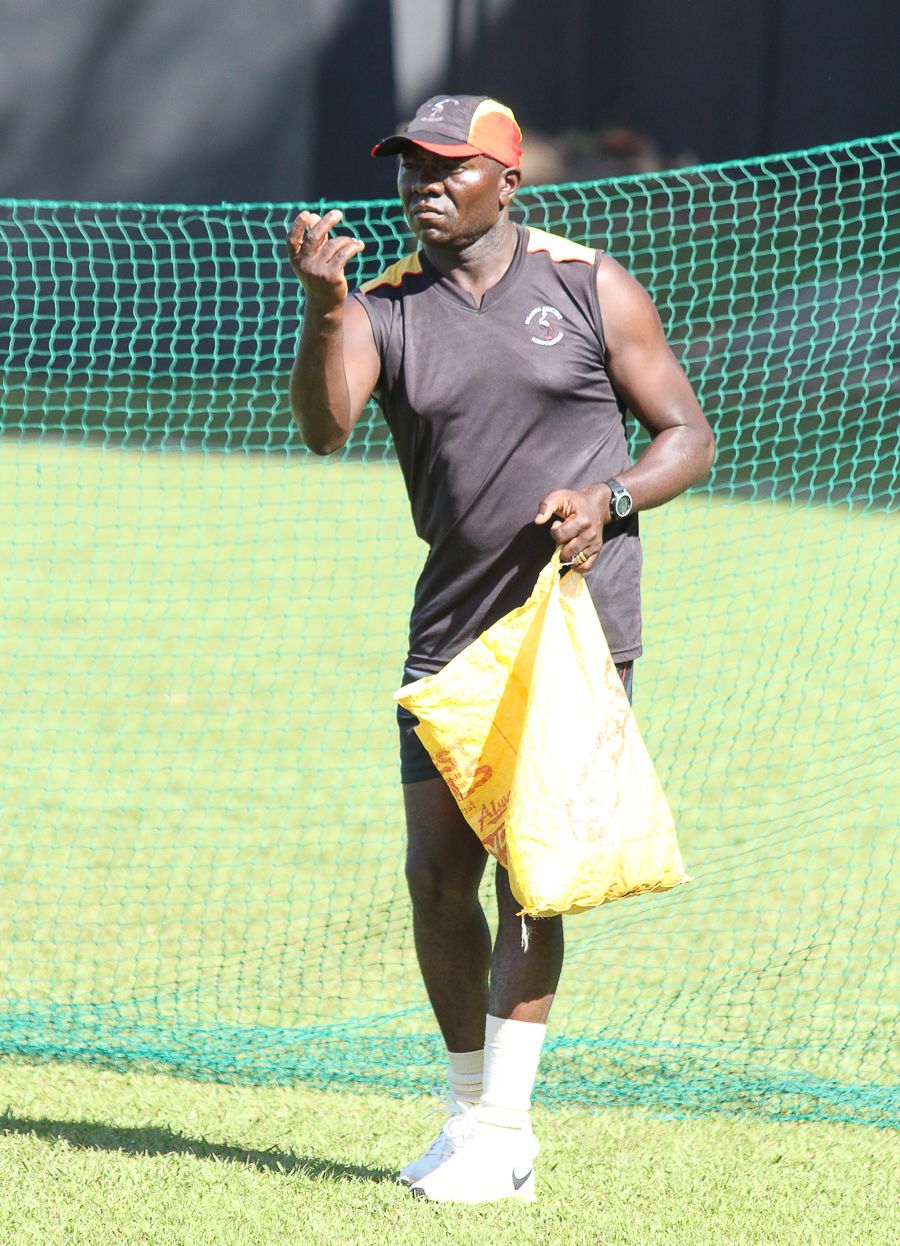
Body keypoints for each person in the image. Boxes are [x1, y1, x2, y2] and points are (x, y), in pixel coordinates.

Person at [286, 95, 715, 1205]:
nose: (423, 184)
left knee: (533, 881)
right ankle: (467, 1114)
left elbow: (687, 434)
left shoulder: (587, 282)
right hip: (453, 630)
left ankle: (508, 1133)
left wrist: (609, 498)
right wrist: (324, 305)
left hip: (572, 633)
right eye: (408, 168)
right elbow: (326, 427)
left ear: (506, 181)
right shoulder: (384, 305)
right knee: (438, 880)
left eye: (446, 166)